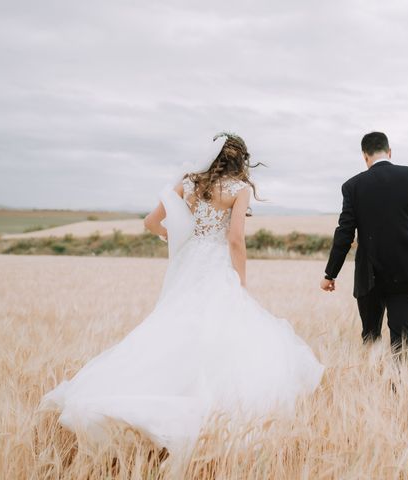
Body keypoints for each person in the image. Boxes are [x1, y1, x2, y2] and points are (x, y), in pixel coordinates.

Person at [38, 132, 325, 456]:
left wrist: (174, 238)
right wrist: (240, 281)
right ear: (240, 160)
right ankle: (207, 412)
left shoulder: (188, 184)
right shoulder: (239, 190)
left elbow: (151, 222)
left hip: (189, 263)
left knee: (173, 326)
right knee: (218, 334)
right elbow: (235, 240)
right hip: (216, 266)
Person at [320, 131, 408, 362]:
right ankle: (400, 394)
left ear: (365, 156)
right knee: (402, 341)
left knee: (370, 337)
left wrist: (330, 273)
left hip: (370, 274)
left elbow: (344, 233)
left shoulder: (352, 186)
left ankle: (372, 386)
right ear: (389, 152)